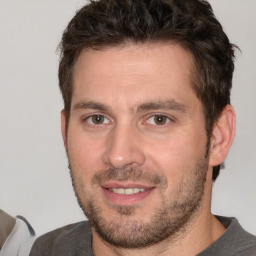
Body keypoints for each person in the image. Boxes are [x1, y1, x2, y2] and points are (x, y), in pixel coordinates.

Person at [29, 0, 256, 255]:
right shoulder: (46, 250)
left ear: (218, 137)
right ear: (65, 132)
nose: (119, 156)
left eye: (159, 119)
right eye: (97, 119)